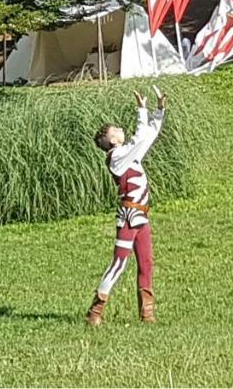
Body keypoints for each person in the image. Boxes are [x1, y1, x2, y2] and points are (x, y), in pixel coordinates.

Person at [87, 89, 167, 327]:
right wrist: (142, 110)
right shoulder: (117, 157)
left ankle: (147, 312)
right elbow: (140, 138)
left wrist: (159, 111)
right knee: (119, 262)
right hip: (129, 215)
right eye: (116, 130)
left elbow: (148, 136)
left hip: (140, 214)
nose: (121, 130)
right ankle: (96, 310)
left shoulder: (128, 155)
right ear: (112, 140)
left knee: (146, 261)